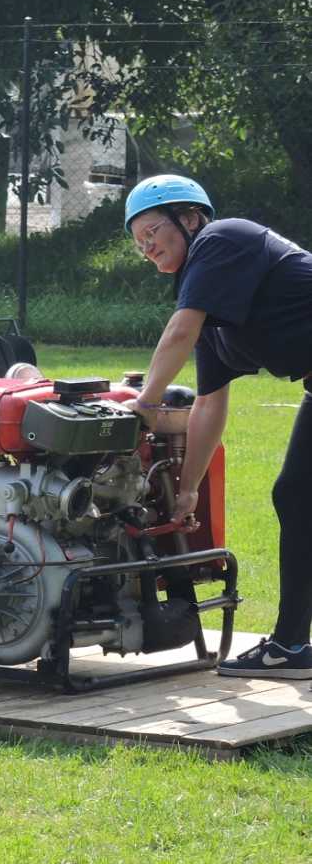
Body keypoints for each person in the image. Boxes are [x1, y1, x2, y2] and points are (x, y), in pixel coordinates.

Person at [122, 175, 312, 679]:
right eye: (137, 241)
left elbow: (179, 330)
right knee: (296, 496)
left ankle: (292, 644)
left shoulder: (223, 238)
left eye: (151, 232)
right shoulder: (209, 300)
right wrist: (186, 492)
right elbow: (210, 403)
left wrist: (145, 402)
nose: (146, 248)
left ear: (189, 219)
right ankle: (291, 647)